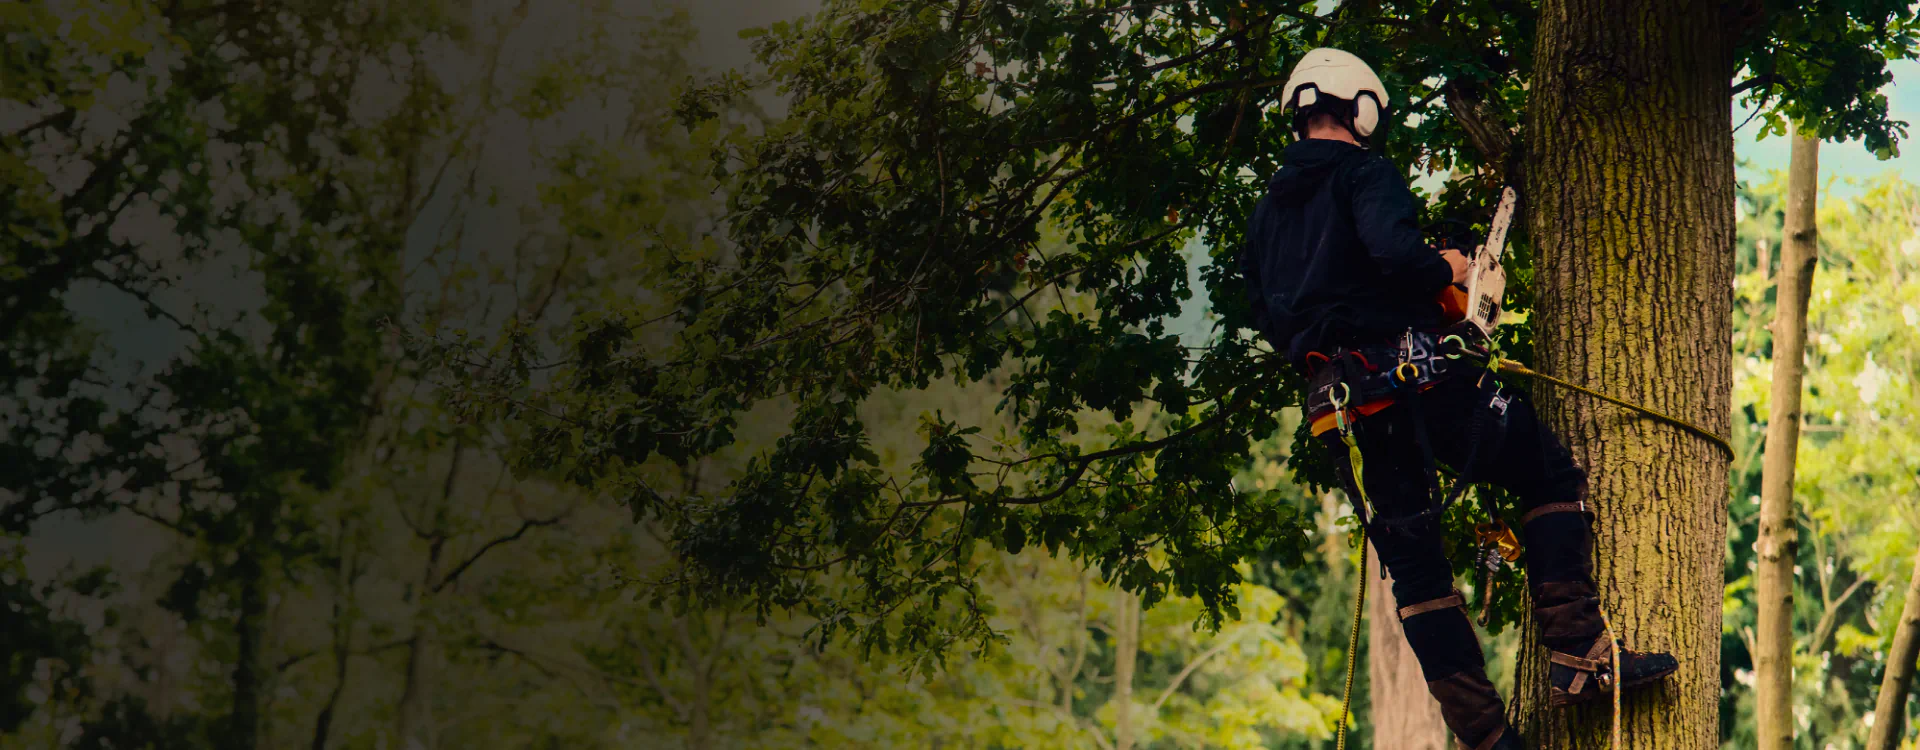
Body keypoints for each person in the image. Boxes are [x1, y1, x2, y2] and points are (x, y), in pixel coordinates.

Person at [1237, 48, 1678, 750]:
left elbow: (1272, 315)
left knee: (1417, 572)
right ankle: (1581, 655)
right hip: (1414, 383)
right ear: (1362, 109)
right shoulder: (1364, 172)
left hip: (1347, 415)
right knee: (1547, 472)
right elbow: (1396, 256)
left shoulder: (1265, 218)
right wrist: (1447, 266)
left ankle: (1485, 738)